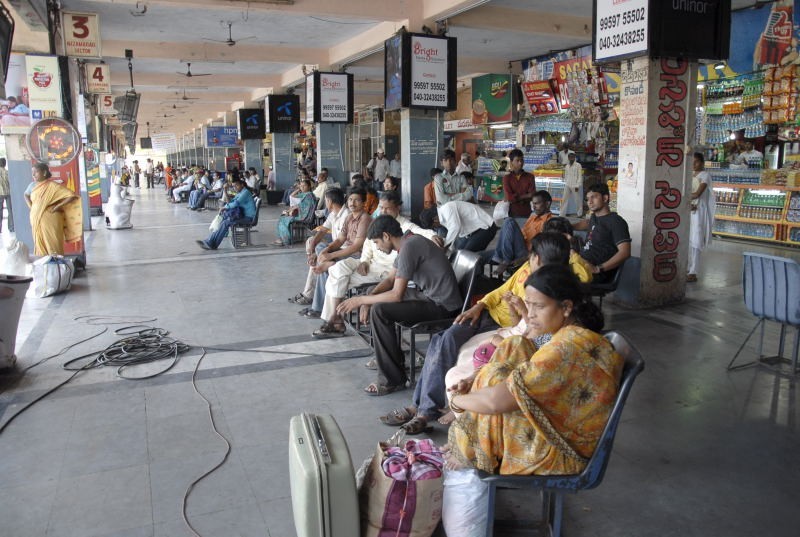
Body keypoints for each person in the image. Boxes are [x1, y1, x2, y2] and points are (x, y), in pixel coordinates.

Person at [380, 232, 582, 434]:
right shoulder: (528, 272)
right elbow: (501, 290)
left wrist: (519, 312)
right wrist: (479, 306)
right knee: (442, 339)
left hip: (503, 328)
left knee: (451, 343)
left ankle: (425, 411)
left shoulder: (553, 295)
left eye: (531, 255)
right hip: (487, 315)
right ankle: (420, 405)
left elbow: (526, 331)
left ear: (537, 257)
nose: (529, 260)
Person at [445, 263, 623, 476]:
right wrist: (473, 381)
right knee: (515, 344)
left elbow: (495, 402)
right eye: (527, 305)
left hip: (562, 450)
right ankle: (472, 439)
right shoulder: (571, 335)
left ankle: (472, 444)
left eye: (538, 307)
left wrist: (456, 400)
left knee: (495, 385)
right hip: (557, 426)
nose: (529, 315)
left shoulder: (565, 349)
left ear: (566, 307)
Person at [337, 216, 463, 395]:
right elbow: (389, 280)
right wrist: (369, 296)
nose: (378, 247)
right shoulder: (408, 243)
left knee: (380, 311)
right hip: (429, 297)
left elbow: (396, 295)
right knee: (374, 293)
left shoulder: (409, 248)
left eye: (377, 242)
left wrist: (361, 301)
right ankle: (392, 364)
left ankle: (391, 379)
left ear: (386, 236)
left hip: (442, 306)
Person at [315, 190, 442, 338]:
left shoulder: (404, 225)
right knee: (338, 269)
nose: (383, 211)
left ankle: (335, 321)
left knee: (338, 277)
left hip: (386, 271)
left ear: (397, 208)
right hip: (370, 266)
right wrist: (364, 261)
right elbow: (368, 245)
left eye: (387, 208)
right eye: (381, 207)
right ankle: (335, 318)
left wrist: (433, 235)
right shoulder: (378, 222)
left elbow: (420, 231)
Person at [288, 188, 349, 306]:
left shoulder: (346, 215)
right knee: (312, 241)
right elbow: (323, 230)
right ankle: (315, 266)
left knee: (320, 250)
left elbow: (340, 242)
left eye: (326, 200)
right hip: (334, 246)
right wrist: (312, 245)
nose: (325, 202)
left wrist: (318, 252)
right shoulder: (333, 213)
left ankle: (309, 294)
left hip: (342, 250)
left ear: (330, 201)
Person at [572, 183, 631, 283]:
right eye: (587, 199)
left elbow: (625, 252)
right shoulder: (594, 218)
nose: (589, 202)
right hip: (581, 263)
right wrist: (567, 226)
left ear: (605, 198)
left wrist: (599, 268)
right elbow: (586, 223)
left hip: (597, 272)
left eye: (594, 197)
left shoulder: (616, 222)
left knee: (556, 278)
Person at [490, 190, 553, 274]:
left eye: (537, 203)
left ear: (547, 204)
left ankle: (505, 260)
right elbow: (522, 234)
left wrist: (524, 259)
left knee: (509, 221)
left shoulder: (550, 222)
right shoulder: (532, 217)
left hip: (525, 254)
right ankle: (500, 258)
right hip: (515, 248)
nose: (534, 207)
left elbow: (543, 248)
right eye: (533, 204)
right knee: (478, 257)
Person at [24, 163, 81, 256]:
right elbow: (26, 194)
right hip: (35, 218)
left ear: (44, 172)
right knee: (39, 243)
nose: (33, 175)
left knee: (53, 244)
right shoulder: (32, 185)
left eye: (36, 172)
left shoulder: (53, 186)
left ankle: (56, 267)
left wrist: (57, 206)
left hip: (51, 218)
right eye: (32, 172)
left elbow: (71, 196)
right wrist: (31, 206)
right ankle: (44, 266)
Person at [197, 179, 256, 250]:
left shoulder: (245, 192)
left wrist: (224, 207)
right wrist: (225, 190)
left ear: (242, 185)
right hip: (242, 215)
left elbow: (236, 203)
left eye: (236, 186)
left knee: (226, 222)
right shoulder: (240, 193)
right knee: (223, 219)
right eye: (233, 186)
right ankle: (210, 242)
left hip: (248, 218)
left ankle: (212, 244)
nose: (235, 188)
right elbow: (230, 202)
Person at [688, 153, 715, 283]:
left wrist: (682, 197)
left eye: (697, 162)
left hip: (699, 211)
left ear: (702, 163)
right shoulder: (689, 174)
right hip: (689, 209)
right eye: (692, 161)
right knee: (688, 240)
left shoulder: (705, 176)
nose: (694, 164)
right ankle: (688, 268)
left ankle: (694, 271)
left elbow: (698, 193)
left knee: (696, 240)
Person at [274, 179, 315, 246]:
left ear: (309, 186)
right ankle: (283, 238)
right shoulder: (305, 194)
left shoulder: (308, 195)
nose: (302, 187)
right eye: (301, 186)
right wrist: (298, 189)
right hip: (303, 215)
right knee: (284, 217)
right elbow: (292, 196)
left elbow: (300, 206)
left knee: (283, 219)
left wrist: (289, 212)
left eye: (304, 186)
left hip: (304, 216)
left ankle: (285, 240)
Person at [502, 148, 536, 221]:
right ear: (511, 162)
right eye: (517, 160)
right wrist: (525, 196)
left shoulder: (530, 177)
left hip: (526, 213)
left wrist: (516, 197)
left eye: (522, 160)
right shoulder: (507, 178)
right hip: (511, 214)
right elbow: (509, 198)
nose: (520, 163)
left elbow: (532, 195)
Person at [563, 152, 583, 217]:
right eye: (570, 157)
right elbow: (566, 175)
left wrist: (578, 185)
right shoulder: (567, 166)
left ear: (574, 158)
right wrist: (565, 182)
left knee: (577, 200)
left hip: (575, 185)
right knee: (564, 199)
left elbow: (580, 176)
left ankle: (579, 214)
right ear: (568, 158)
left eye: (573, 157)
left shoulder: (578, 165)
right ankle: (562, 214)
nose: (571, 158)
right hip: (568, 184)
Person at [0, 157, 13, 233]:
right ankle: (11, 228)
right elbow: (11, 183)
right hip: (8, 193)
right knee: (10, 211)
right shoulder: (7, 172)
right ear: (4, 164)